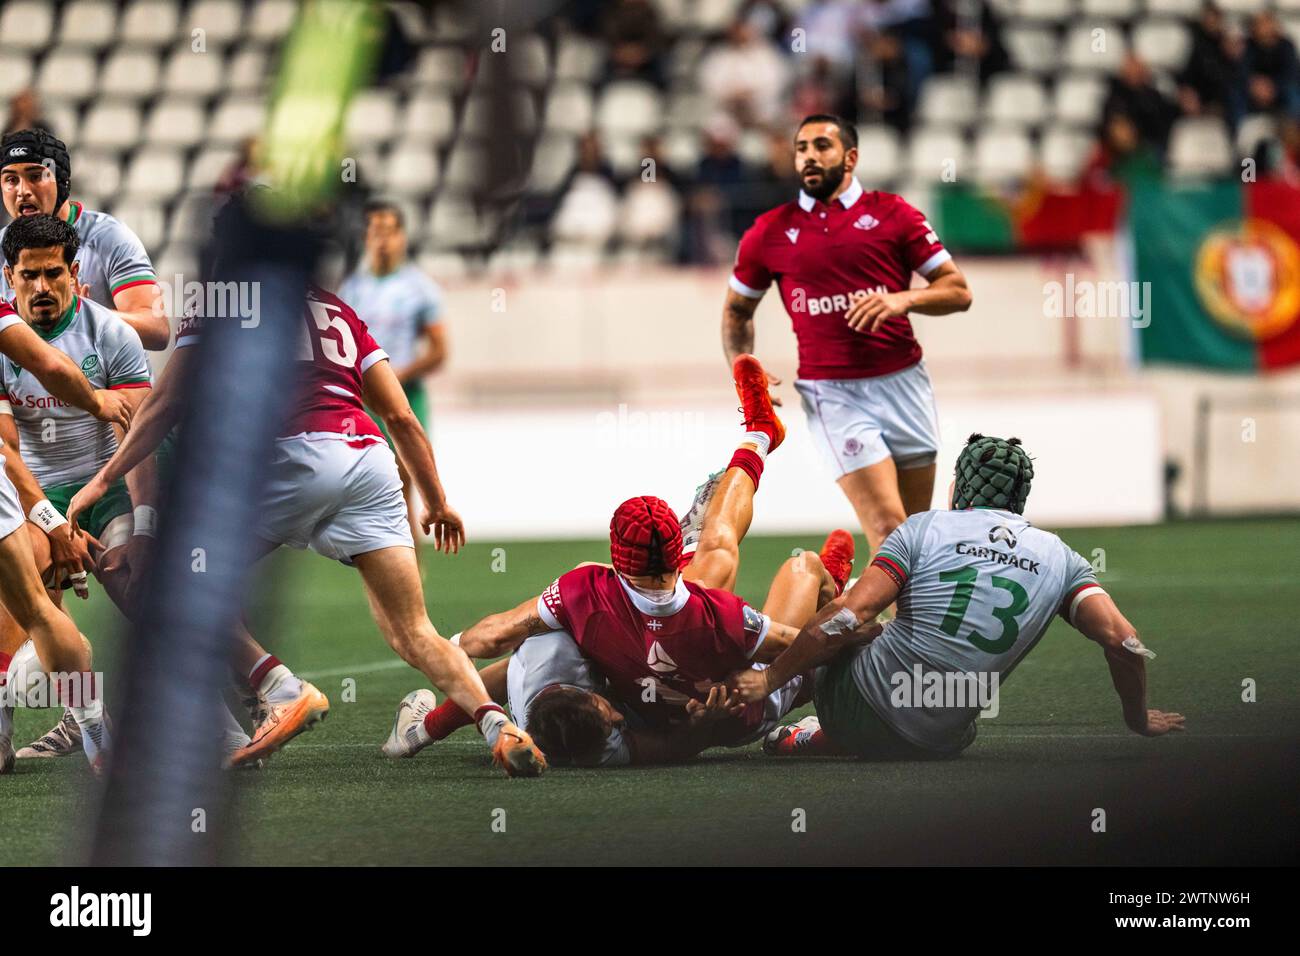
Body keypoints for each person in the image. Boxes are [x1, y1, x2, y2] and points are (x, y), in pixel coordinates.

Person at [65, 263, 545, 776]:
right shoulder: (340, 311)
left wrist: (103, 478)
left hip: (289, 458)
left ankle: (278, 689)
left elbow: (162, 404)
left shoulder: (225, 297)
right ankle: (499, 726)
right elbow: (402, 417)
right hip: (368, 462)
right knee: (413, 632)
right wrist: (438, 502)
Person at [382, 355, 867, 766]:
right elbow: (805, 644)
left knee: (542, 642)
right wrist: (775, 677)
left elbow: (496, 638)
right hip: (740, 712)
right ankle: (825, 582)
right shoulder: (717, 615)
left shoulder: (585, 593)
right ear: (677, 555)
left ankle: (422, 728)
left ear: (617, 561)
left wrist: (435, 649)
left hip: (645, 689)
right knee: (800, 571)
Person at [731, 434, 1185, 759]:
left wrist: (771, 677)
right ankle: (827, 735)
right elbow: (1124, 640)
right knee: (894, 644)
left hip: (854, 709)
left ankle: (795, 720)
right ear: (1020, 499)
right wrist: (1137, 718)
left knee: (859, 621)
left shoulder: (924, 528)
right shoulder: (1060, 557)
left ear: (956, 488)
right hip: (940, 741)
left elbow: (848, 618)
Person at [723, 113, 971, 568]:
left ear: (850, 157)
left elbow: (958, 291)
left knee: (915, 535)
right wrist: (744, 371)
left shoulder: (894, 214)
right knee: (887, 525)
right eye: (801, 148)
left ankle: (899, 625)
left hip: (905, 384)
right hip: (832, 393)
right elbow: (737, 313)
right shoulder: (769, 232)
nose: (809, 157)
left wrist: (904, 300)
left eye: (822, 146)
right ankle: (897, 640)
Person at [0, 298, 133, 773]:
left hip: (89, 490)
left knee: (26, 602)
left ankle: (90, 729)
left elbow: (47, 363)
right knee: (31, 603)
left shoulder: (108, 333)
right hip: (22, 481)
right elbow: (47, 363)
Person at [338, 201, 447, 545]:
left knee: (402, 489)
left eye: (389, 232)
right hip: (362, 398)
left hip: (404, 396)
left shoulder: (420, 288)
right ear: (366, 238)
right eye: (375, 233)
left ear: (401, 237)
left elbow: (439, 351)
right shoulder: (352, 289)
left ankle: (410, 574)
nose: (382, 241)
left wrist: (398, 373)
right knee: (369, 492)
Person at [0, 130, 170, 350]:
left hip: (107, 381)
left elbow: (157, 330)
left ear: (62, 181)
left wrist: (83, 313)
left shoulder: (108, 237)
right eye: (11, 180)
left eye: (36, 176)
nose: (23, 191)